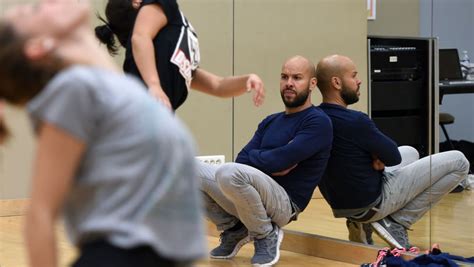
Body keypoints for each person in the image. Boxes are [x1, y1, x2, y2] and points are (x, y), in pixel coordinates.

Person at [0, 1, 206, 266]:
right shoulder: (73, 89)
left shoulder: (116, 88)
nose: (47, 2)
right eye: (35, 10)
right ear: (39, 45)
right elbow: (40, 214)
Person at [316, 54, 470, 249]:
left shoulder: (315, 118)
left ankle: (360, 224)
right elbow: (392, 157)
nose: (359, 80)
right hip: (370, 203)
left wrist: (375, 158)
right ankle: (398, 222)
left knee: (410, 152)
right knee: (460, 161)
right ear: (337, 83)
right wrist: (378, 158)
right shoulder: (356, 121)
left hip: (342, 203)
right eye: (354, 76)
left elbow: (388, 156)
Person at [197, 56, 333, 266]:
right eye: (284, 77)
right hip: (253, 196)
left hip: (285, 203)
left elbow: (278, 160)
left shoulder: (318, 121)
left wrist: (269, 159)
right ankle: (234, 228)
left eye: (297, 78)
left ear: (312, 84)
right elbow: (244, 159)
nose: (289, 83)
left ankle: (265, 235)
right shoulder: (270, 121)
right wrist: (274, 158)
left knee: (229, 173)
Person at [95, 0, 265, 111]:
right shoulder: (155, 16)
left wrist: (246, 81)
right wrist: (154, 85)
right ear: (137, 2)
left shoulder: (163, 51)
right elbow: (140, 38)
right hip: (139, 123)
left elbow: (217, 86)